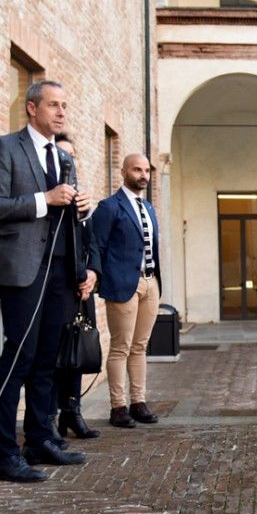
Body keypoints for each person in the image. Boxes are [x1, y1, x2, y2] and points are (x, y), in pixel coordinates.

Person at [0, 80, 94, 482]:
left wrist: (79, 207)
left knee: (48, 360)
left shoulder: (63, 159)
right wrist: (45, 199)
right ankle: (2, 453)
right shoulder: (5, 148)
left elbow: (66, 212)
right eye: (53, 105)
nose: (61, 112)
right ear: (32, 108)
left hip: (61, 271)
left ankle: (40, 437)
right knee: (19, 358)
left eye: (65, 105)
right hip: (24, 270)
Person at [91, 152, 163, 429]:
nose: (143, 175)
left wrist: (155, 280)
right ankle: (118, 406)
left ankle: (138, 402)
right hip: (123, 285)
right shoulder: (109, 207)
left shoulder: (149, 208)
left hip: (150, 282)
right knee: (121, 347)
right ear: (123, 172)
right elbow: (97, 246)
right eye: (137, 170)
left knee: (140, 346)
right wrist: (102, 279)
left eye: (146, 170)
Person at [51, 133, 102, 440]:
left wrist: (93, 273)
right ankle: (52, 417)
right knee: (55, 354)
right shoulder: (49, 200)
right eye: (60, 156)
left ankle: (74, 413)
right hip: (55, 289)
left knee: (77, 353)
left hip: (81, 290)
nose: (67, 162)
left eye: (70, 157)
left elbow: (92, 241)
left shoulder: (82, 201)